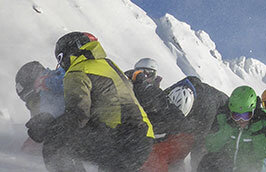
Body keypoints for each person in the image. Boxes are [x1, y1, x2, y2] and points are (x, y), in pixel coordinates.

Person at [39, 31, 155, 172]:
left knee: (55, 142)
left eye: (60, 59)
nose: (61, 65)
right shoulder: (108, 64)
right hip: (141, 138)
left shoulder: (77, 71)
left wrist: (48, 127)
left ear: (68, 53)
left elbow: (78, 115)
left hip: (120, 138)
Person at [197, 85, 266, 172]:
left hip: (251, 168)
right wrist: (227, 129)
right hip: (226, 166)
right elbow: (211, 146)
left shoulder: (263, 121)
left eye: (246, 115)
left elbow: (263, 154)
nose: (241, 120)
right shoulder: (223, 117)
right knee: (207, 161)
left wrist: (257, 132)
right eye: (236, 115)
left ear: (254, 110)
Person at [164, 75, 229, 169]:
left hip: (221, 115)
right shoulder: (170, 93)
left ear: (190, 109)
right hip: (199, 110)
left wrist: (195, 167)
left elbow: (199, 142)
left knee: (203, 148)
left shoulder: (206, 108)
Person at [15, 61, 65, 154]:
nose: (32, 108)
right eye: (28, 104)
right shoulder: (54, 82)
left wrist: (33, 142)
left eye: (33, 101)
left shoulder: (51, 86)